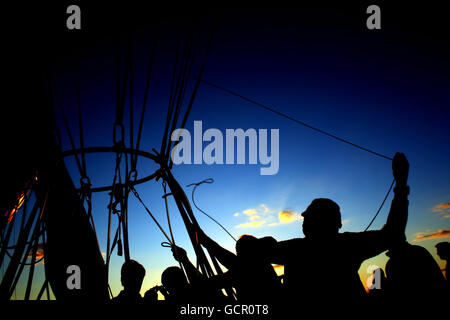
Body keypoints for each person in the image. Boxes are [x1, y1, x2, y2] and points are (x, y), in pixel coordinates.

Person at [264, 152, 410, 298]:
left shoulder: (295, 249)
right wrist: (401, 184)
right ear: (337, 223)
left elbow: (258, 251)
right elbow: (393, 233)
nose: (303, 221)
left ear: (318, 221)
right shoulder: (349, 244)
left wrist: (261, 244)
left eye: (307, 217)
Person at [197, 231, 282, 302]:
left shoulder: (243, 267)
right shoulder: (262, 262)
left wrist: (203, 238)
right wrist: (203, 237)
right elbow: (219, 251)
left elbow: (220, 253)